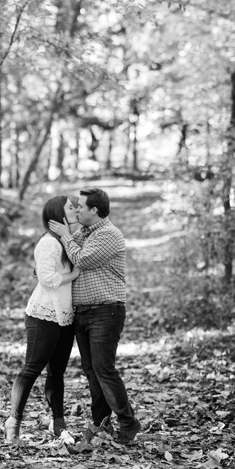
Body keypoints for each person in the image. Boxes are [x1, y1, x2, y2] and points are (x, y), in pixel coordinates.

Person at [48, 187, 142, 444]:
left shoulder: (109, 235)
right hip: (83, 313)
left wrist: (66, 237)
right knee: (92, 371)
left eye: (80, 206)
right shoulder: (83, 233)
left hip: (105, 311)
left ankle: (128, 422)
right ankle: (101, 423)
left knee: (104, 368)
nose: (77, 210)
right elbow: (64, 255)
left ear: (95, 210)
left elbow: (82, 259)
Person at [6, 195, 80, 441]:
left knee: (57, 372)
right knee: (32, 368)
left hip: (65, 315)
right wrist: (75, 274)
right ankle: (13, 422)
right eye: (71, 207)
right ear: (59, 214)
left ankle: (58, 424)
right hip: (44, 314)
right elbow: (46, 279)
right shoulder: (49, 243)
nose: (76, 210)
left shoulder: (67, 241)